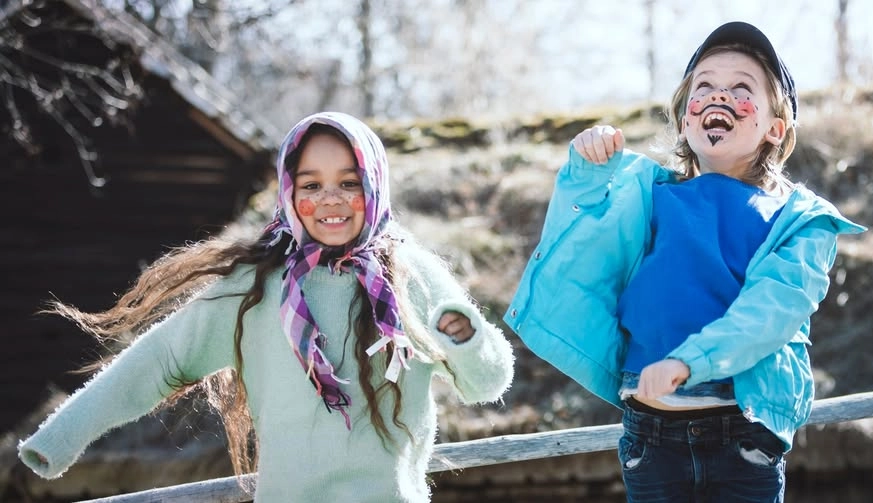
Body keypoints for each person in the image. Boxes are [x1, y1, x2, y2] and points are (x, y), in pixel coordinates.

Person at [18, 111, 515, 502]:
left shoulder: (412, 274)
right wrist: (59, 438)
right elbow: (159, 360)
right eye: (311, 185)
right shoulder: (255, 287)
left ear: (375, 184)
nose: (330, 199)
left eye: (349, 181)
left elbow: (487, 384)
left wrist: (464, 338)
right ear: (288, 191)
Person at [504, 21, 864, 502]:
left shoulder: (801, 221)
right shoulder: (646, 192)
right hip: (651, 437)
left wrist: (687, 362)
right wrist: (585, 172)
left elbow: (769, 313)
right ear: (685, 118)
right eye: (706, 86)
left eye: (741, 88)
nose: (720, 96)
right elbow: (579, 239)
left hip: (743, 435)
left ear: (775, 129)